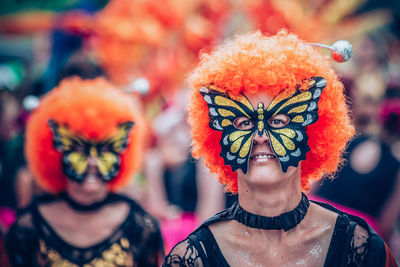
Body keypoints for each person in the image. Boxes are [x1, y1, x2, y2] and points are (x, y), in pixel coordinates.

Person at [163, 31, 397, 266]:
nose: (260, 136)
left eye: (279, 121)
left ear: (312, 131)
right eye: (244, 123)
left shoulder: (361, 249)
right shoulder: (190, 258)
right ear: (219, 135)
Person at [6, 77, 164, 266]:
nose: (92, 162)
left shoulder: (141, 227)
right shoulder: (29, 227)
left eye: (105, 149)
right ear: (55, 151)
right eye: (79, 149)